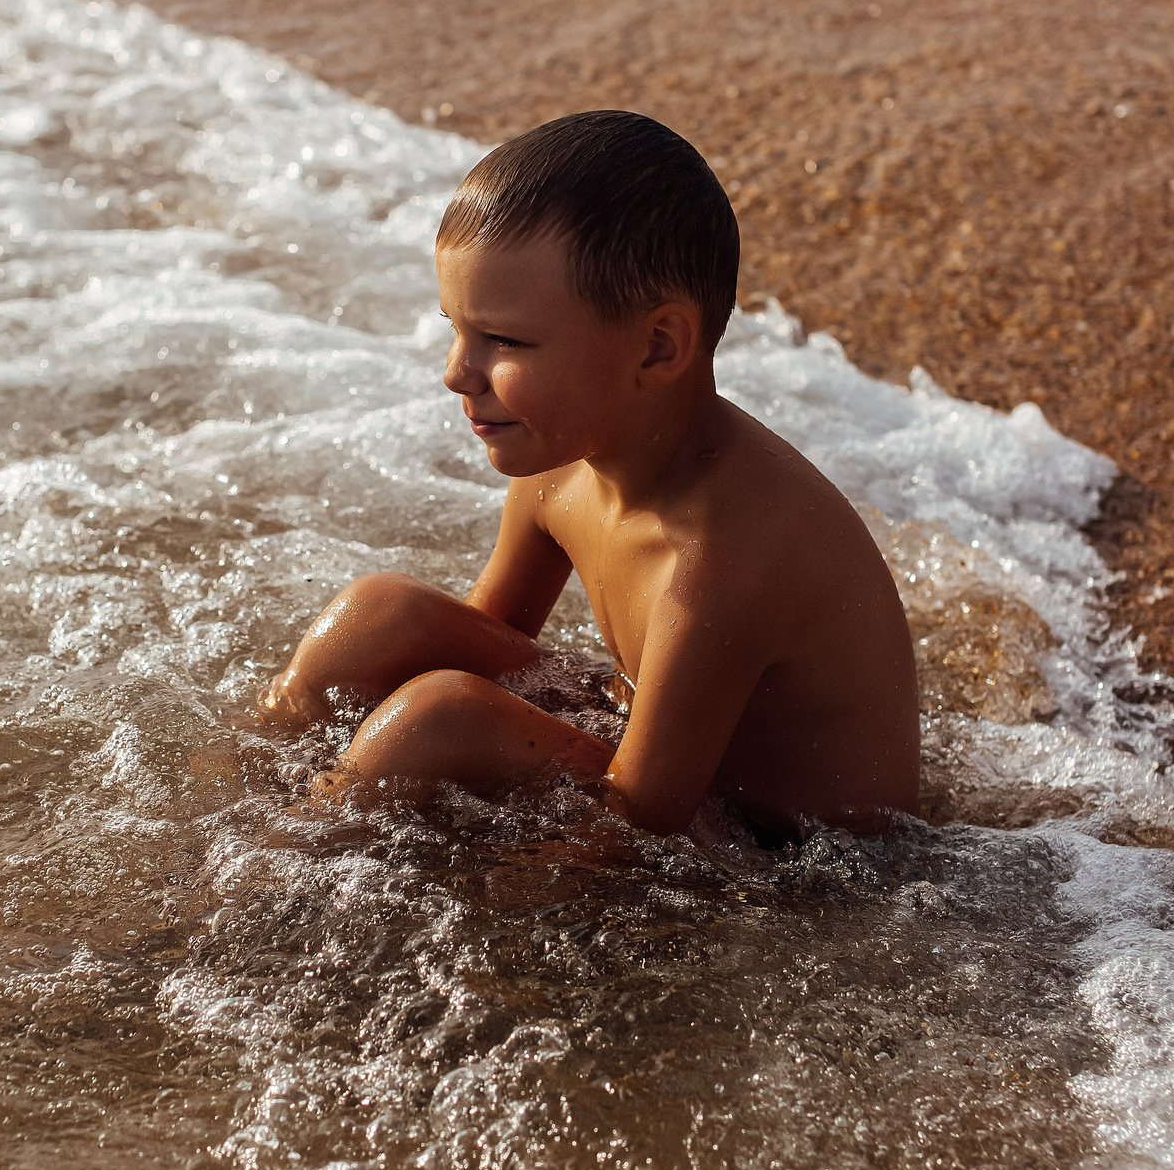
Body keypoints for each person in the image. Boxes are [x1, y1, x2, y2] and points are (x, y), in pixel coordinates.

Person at [260, 109, 921, 838]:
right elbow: (501, 655)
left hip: (784, 858)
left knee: (437, 718)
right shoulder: (562, 471)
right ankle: (252, 803)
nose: (456, 373)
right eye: (458, 328)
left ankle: (286, 858)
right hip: (655, 754)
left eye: (504, 339)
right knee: (380, 617)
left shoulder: (722, 560)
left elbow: (639, 822)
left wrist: (449, 759)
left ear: (658, 347)